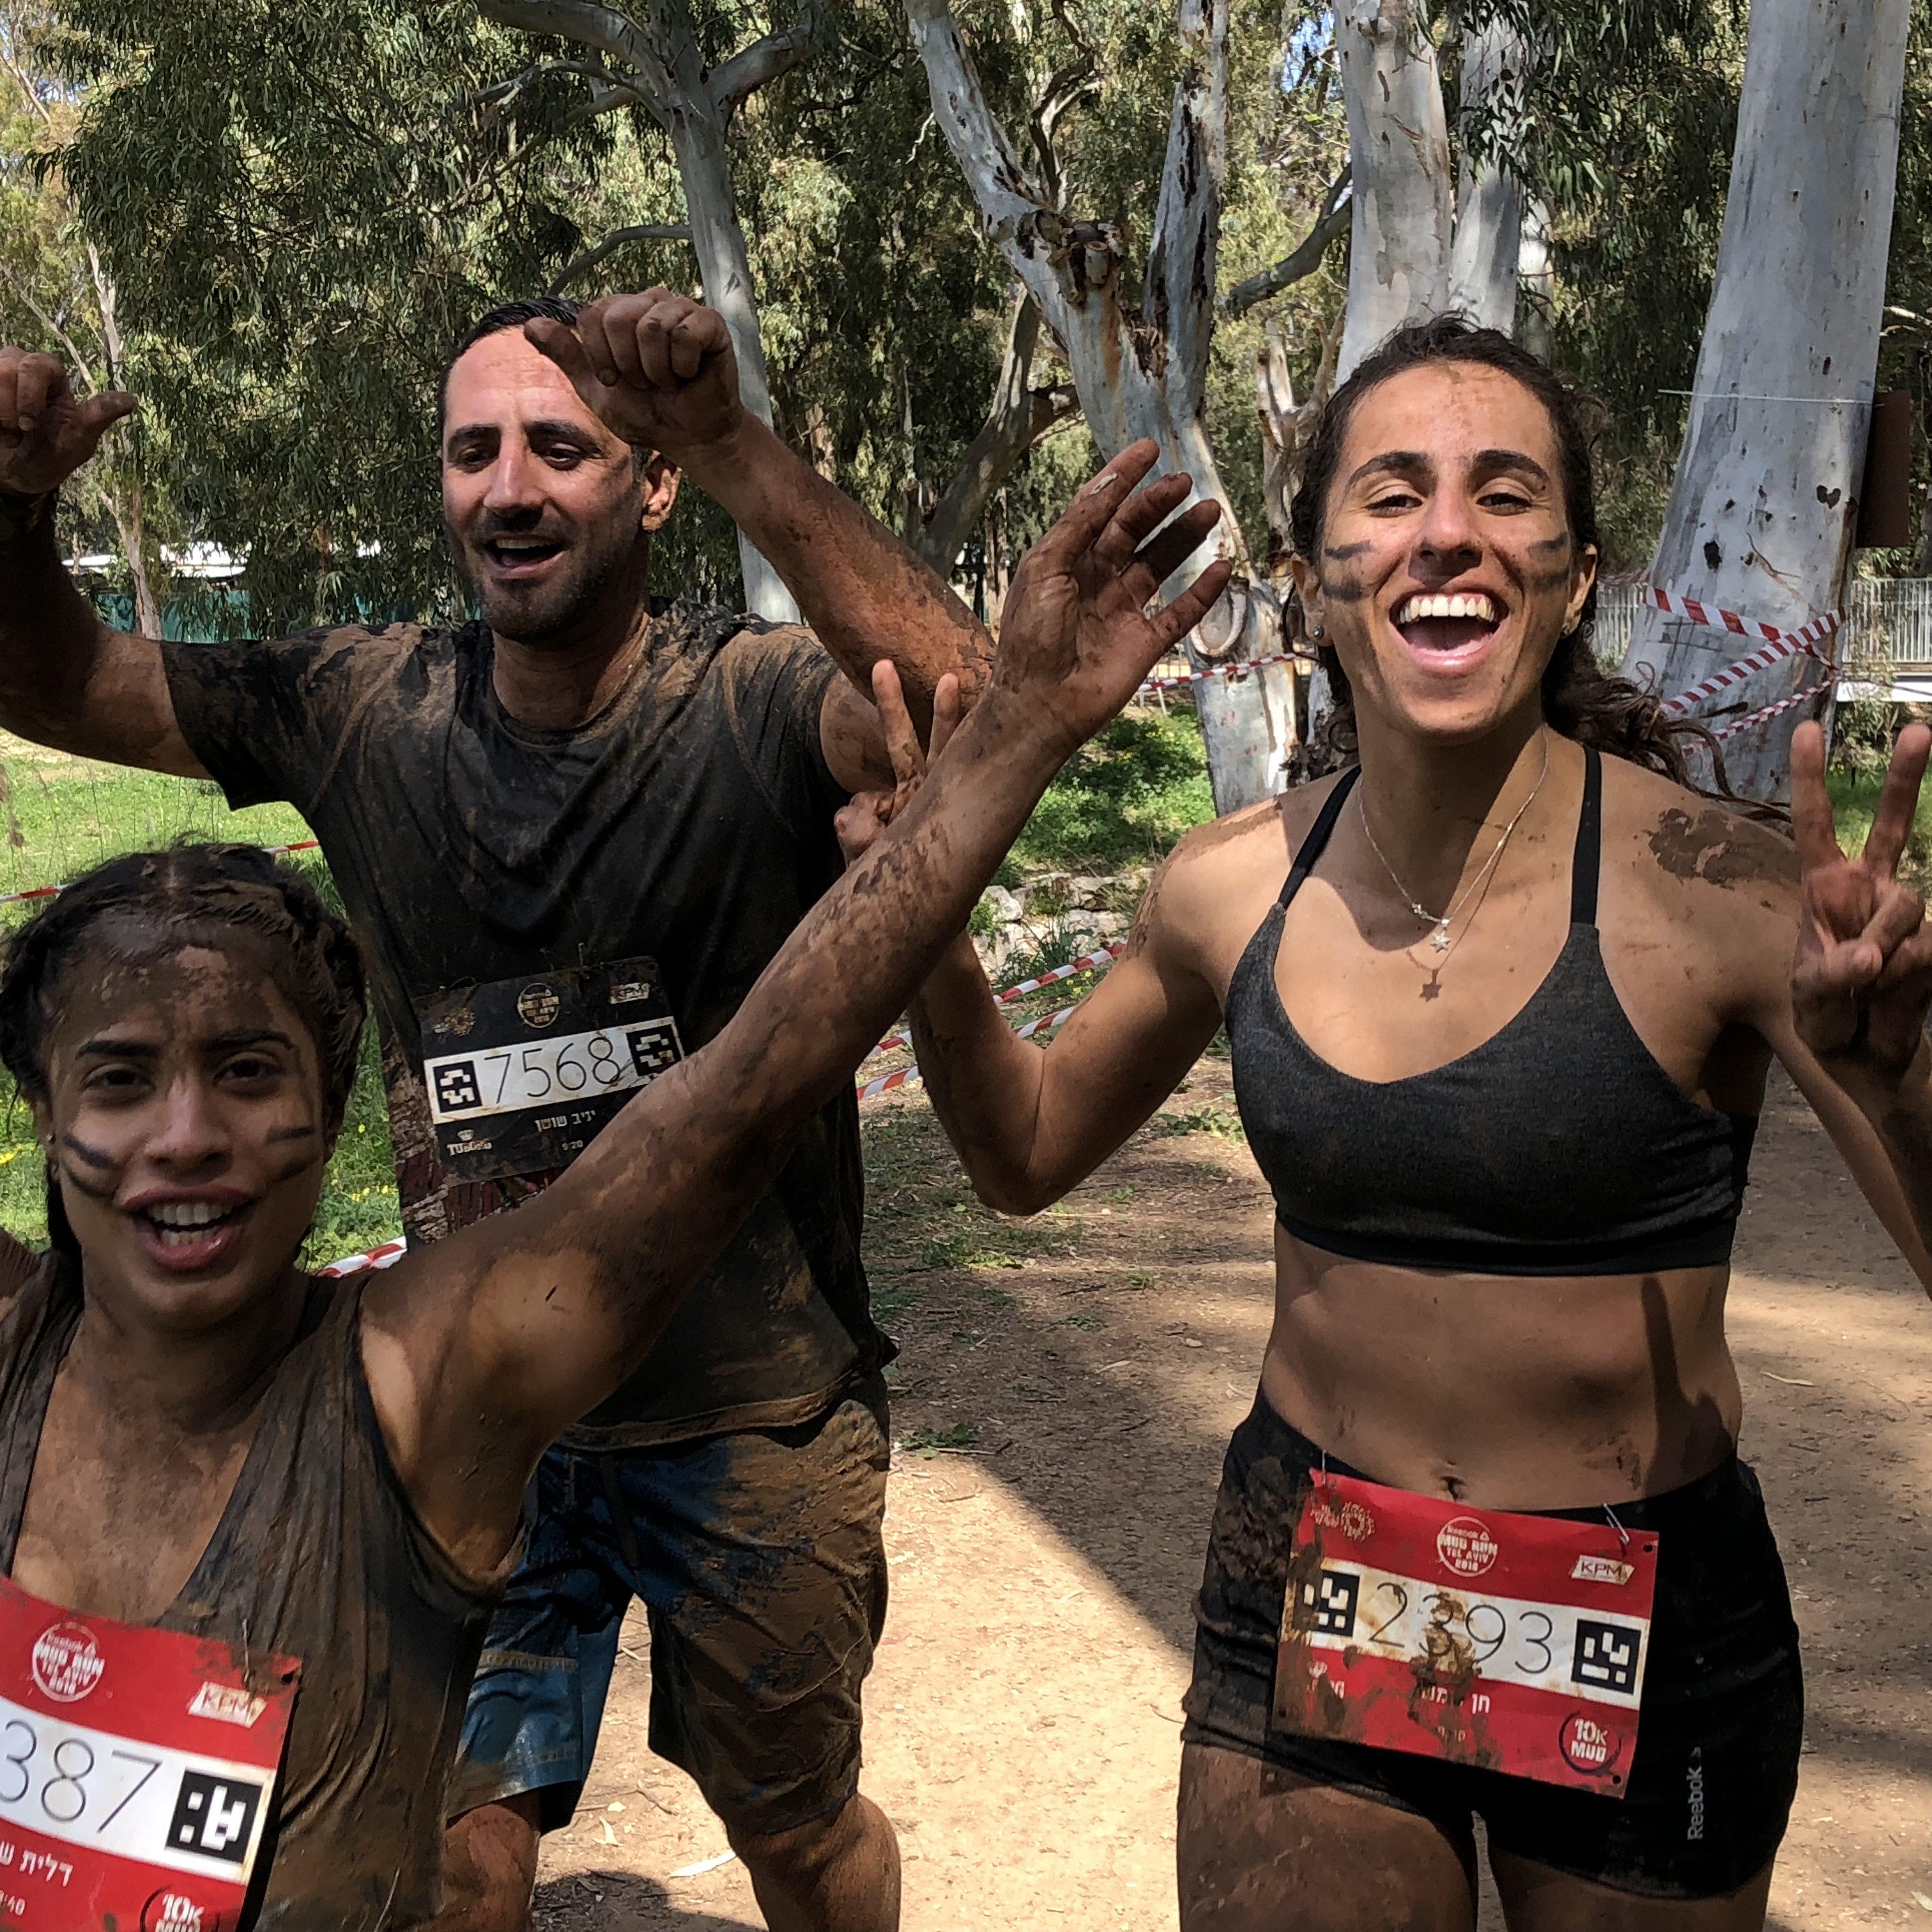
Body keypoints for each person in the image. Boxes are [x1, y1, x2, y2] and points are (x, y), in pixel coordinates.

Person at [0, 442, 1232, 1929]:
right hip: (491, 1440)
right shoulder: (361, 709)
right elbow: (57, 677)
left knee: (795, 1833)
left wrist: (750, 452)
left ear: (653, 485)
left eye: (564, 445)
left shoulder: (746, 695)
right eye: (471, 449)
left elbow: (754, 1071)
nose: (186, 1132)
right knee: (459, 1857)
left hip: (746, 1417)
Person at [887, 318, 1932, 1928]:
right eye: (1390, 494)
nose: (1448, 530)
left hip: (1648, 1613)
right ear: (1314, 582)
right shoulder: (1226, 888)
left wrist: (1898, 1079)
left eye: (1505, 493)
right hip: (1322, 1572)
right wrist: (926, 929)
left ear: (1576, 578)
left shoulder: (1725, 891)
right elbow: (1019, 1153)